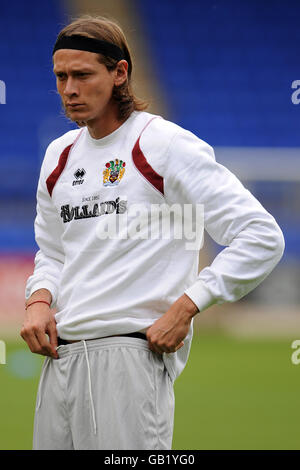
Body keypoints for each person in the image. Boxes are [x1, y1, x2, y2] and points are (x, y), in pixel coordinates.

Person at [21, 15, 285, 450]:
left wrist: (186, 307)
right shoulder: (58, 156)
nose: (69, 89)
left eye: (83, 75)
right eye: (61, 76)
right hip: (59, 359)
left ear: (120, 72)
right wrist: (37, 300)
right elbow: (52, 252)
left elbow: (261, 235)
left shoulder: (162, 144)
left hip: (130, 356)